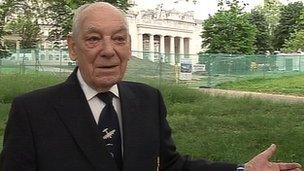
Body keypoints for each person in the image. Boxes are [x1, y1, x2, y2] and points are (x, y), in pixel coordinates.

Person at [0, 2, 302, 171]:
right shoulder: (32, 110)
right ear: (72, 47)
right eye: (94, 39)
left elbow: (171, 166)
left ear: (129, 46)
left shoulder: (147, 99)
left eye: (119, 38)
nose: (109, 50)